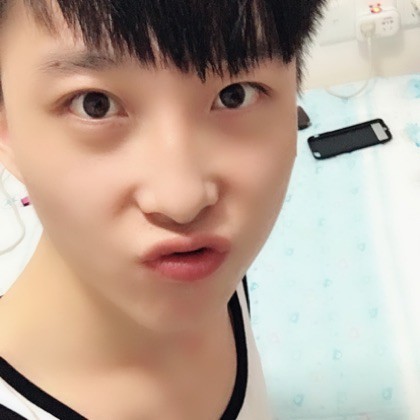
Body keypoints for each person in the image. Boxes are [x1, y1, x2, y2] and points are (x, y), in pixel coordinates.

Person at [0, 0, 326, 418]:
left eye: (234, 95)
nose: (183, 202)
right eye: (95, 104)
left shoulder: (208, 264)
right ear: (5, 125)